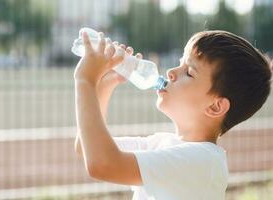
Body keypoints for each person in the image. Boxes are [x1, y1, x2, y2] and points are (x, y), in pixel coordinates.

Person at [73, 30, 272, 200]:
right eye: (180, 63)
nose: (171, 72)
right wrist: (106, 83)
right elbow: (85, 147)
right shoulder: (161, 144)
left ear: (215, 107)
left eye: (189, 72)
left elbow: (102, 164)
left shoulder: (203, 162)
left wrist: (85, 81)